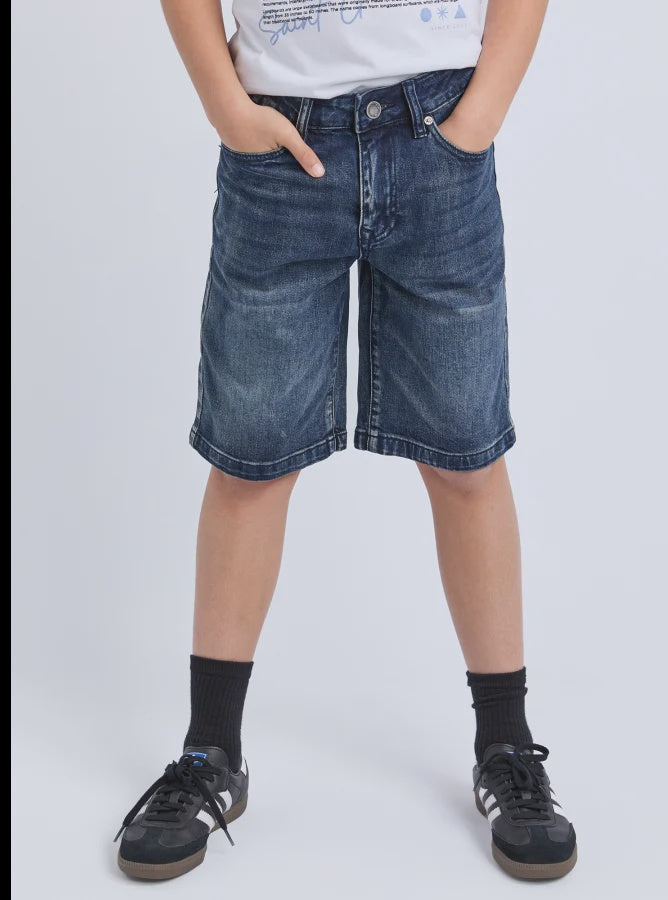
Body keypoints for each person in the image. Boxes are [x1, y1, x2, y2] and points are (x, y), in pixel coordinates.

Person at [114, 0, 577, 882]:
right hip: (280, 145)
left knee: (467, 453)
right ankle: (210, 752)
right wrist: (225, 104)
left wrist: (479, 115)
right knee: (250, 459)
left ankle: (507, 747)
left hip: (439, 128)